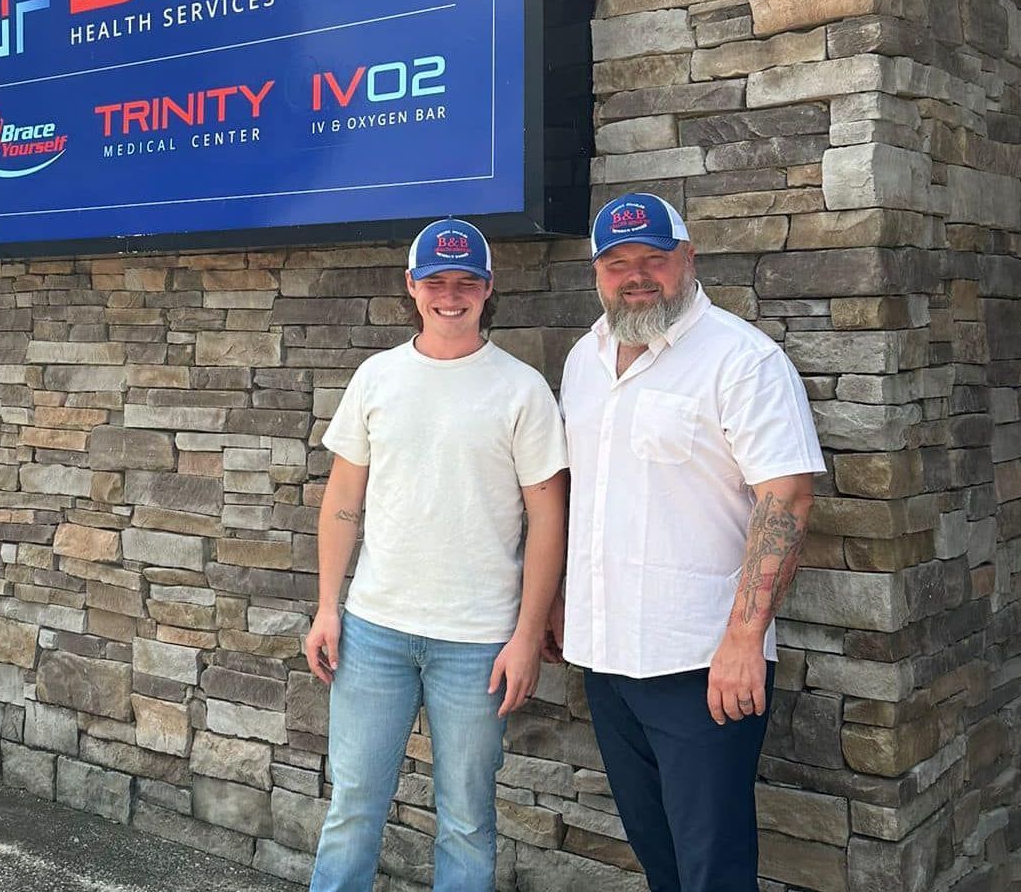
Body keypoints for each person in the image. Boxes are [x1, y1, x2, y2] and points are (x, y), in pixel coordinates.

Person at [551, 192, 823, 892]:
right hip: (606, 659)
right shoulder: (585, 358)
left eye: (654, 258)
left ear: (688, 259)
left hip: (702, 667)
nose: (636, 274)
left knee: (713, 868)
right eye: (618, 263)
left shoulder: (741, 359)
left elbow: (786, 496)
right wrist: (561, 599)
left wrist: (743, 639)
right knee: (659, 856)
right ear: (597, 272)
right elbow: (593, 493)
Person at [303, 216, 569, 892]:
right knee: (353, 809)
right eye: (436, 281)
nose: (451, 294)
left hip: (477, 644)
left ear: (487, 287)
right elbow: (341, 503)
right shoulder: (377, 376)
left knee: (467, 820)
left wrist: (526, 633)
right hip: (374, 632)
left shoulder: (521, 388)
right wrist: (327, 608)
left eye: (466, 281)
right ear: (411, 286)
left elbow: (547, 519)